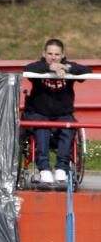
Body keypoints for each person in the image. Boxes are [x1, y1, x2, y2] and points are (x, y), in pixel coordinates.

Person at [23, 39, 93, 185]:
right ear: (44, 54)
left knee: (69, 126)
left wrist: (66, 68)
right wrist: (50, 67)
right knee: (42, 126)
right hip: (39, 113)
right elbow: (27, 69)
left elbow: (87, 71)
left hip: (62, 114)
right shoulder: (39, 67)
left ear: (62, 55)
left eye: (56, 54)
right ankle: (44, 170)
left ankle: (62, 168)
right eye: (50, 54)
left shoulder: (68, 66)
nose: (53, 57)